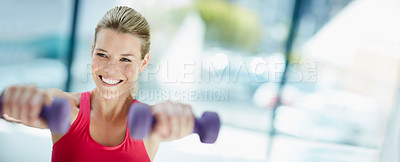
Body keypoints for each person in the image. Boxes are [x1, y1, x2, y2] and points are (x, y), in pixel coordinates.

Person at [0, 6, 195, 162]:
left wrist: (183, 117)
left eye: (125, 59)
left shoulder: (152, 123)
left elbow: (178, 122)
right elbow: (11, 109)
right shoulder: (65, 107)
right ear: (92, 51)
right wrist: (11, 101)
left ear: (143, 62)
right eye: (102, 54)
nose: (110, 69)